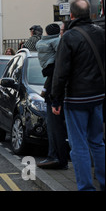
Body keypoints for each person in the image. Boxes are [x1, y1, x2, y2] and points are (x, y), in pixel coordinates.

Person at [52, 0, 105, 191]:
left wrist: (55, 99)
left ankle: (86, 188)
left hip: (76, 98)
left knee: (79, 146)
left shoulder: (69, 37)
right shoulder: (101, 33)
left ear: (72, 15)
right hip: (98, 97)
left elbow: (61, 71)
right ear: (90, 14)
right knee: (98, 142)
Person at [36, 23, 69, 170]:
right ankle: (57, 157)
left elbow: (59, 75)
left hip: (59, 95)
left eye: (62, 31)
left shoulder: (62, 48)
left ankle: (56, 158)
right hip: (72, 94)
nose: (60, 34)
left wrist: (55, 98)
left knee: (55, 127)